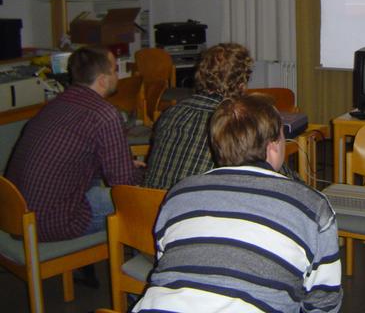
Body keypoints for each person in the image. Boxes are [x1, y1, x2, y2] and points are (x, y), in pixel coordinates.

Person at [133, 94, 343, 313]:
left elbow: (165, 262)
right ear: (273, 146)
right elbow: (323, 302)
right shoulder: (313, 207)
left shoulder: (180, 193)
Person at [6, 46, 141, 242]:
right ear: (103, 80)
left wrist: (119, 164)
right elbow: (123, 184)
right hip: (50, 222)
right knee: (140, 204)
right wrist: (141, 174)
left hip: (15, 216)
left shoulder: (56, 104)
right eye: (115, 70)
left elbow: (72, 159)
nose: (117, 75)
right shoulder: (105, 114)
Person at [142, 42, 254, 190]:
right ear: (242, 85)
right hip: (194, 201)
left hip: (149, 202)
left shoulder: (170, 113)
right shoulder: (233, 123)